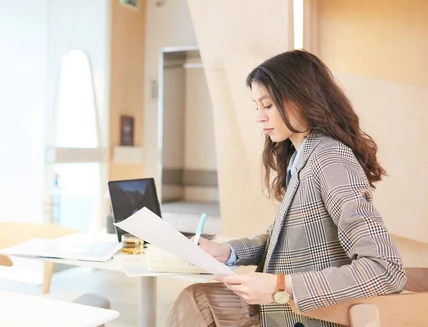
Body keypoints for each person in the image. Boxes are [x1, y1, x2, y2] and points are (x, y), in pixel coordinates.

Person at [166, 49, 406, 327]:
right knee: (197, 299)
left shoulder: (330, 159)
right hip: (289, 308)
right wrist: (225, 252)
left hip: (312, 314)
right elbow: (281, 239)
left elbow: (386, 269)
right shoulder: (302, 156)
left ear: (302, 99)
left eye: (267, 106)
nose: (259, 117)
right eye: (256, 106)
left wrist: (279, 285)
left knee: (197, 303)